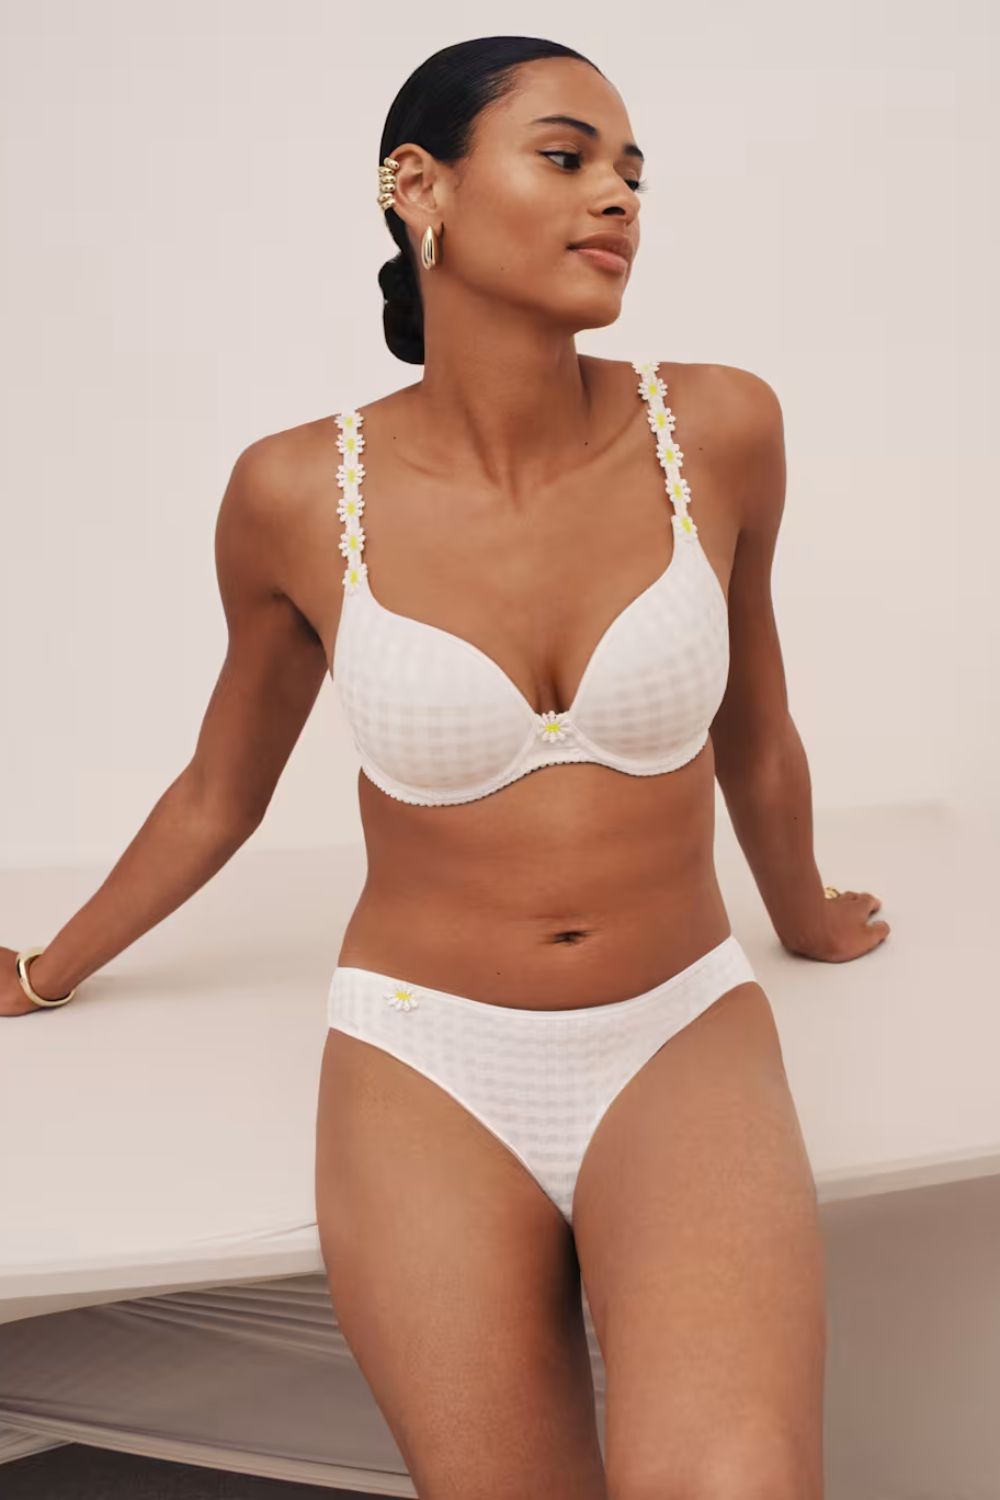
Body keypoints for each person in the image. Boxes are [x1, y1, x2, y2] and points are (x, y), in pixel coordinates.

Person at [3, 34, 891, 1500]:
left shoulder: (722, 425)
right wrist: (45, 972)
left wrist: (805, 916)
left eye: (634, 172)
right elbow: (221, 789)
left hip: (677, 1024)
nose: (618, 196)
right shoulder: (294, 491)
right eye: (567, 157)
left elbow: (755, 721)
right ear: (418, 187)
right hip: (427, 1056)